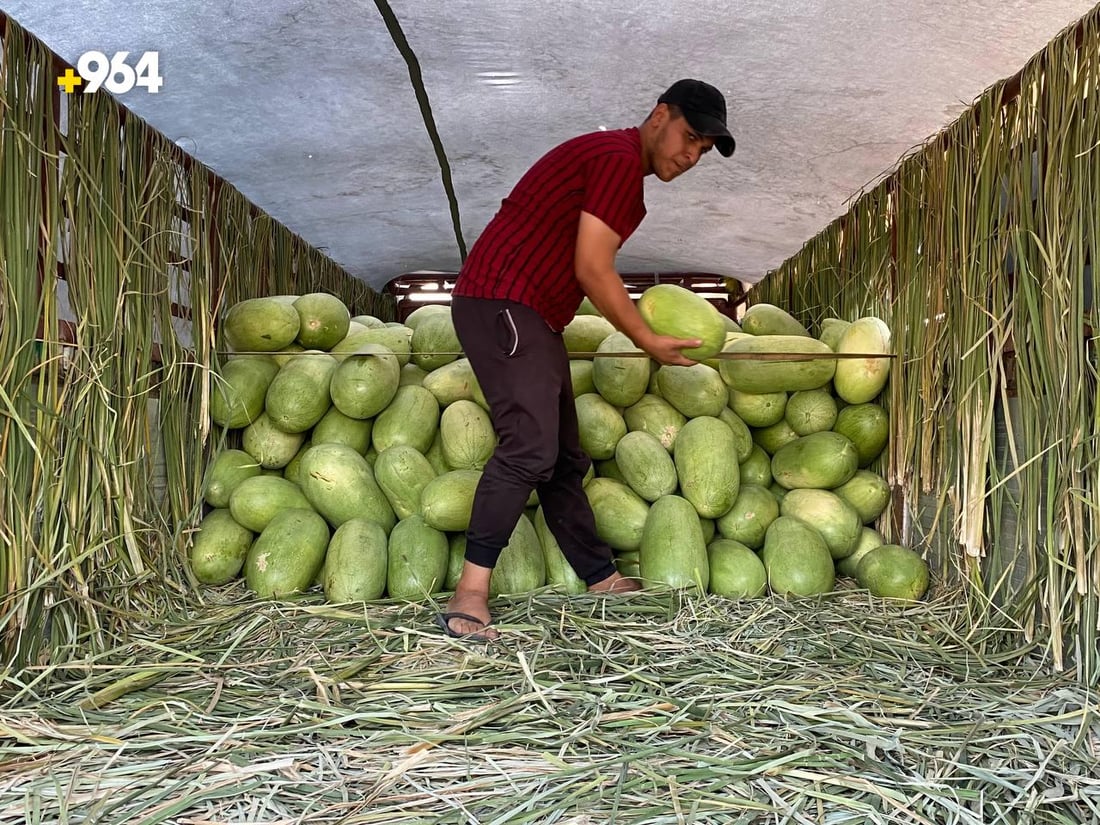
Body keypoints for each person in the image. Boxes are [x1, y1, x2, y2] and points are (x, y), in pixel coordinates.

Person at [435, 79, 736, 641]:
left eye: (703, 149)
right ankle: (469, 593)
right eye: (689, 137)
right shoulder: (617, 159)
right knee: (529, 445)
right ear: (659, 115)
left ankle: (598, 576)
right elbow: (592, 268)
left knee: (563, 455)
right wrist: (645, 337)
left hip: (534, 315)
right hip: (501, 300)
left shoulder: (621, 172)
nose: (692, 155)